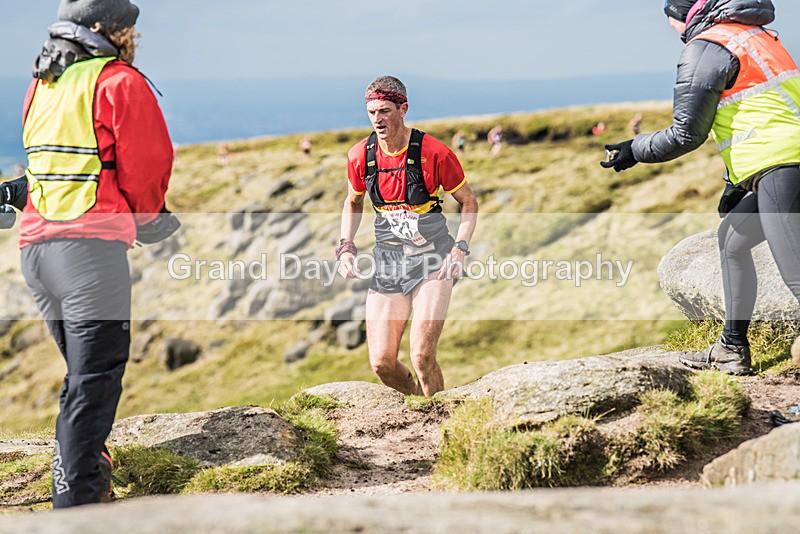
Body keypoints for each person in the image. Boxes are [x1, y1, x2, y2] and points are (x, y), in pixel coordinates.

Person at [0, 0, 174, 508]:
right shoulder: (119, 81)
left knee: (82, 378)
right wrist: (148, 220)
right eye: (128, 29)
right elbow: (149, 164)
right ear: (106, 31)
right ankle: (77, 506)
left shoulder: (44, 84)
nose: (133, 37)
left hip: (37, 253)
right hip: (89, 257)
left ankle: (86, 474)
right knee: (95, 381)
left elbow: (46, 166)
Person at [601, 0, 800, 375]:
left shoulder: (708, 46)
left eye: (672, 22)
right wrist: (737, 183)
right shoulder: (756, 35)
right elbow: (756, 112)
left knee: (797, 278)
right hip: (782, 163)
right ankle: (731, 348)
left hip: (782, 164)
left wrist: (634, 150)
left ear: (685, 16)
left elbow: (685, 133)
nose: (674, 32)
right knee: (732, 239)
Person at [337, 76, 478, 396]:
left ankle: (442, 421)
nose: (377, 119)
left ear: (403, 109)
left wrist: (460, 249)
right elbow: (353, 202)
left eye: (385, 111)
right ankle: (418, 407)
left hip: (434, 259)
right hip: (389, 262)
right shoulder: (361, 155)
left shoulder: (435, 152)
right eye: (371, 112)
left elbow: (469, 201)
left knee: (422, 356)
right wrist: (346, 245)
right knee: (382, 363)